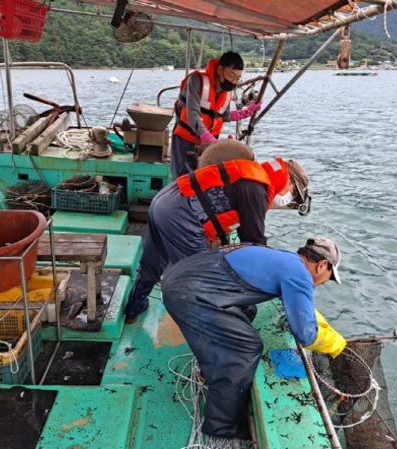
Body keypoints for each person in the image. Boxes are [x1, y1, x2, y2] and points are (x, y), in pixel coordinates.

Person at [161, 237, 347, 439]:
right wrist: (338, 345)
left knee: (248, 310)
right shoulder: (300, 275)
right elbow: (306, 335)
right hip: (189, 294)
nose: (323, 283)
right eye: (329, 277)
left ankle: (210, 369)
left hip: (180, 276)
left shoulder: (285, 257)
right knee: (245, 349)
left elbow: (303, 309)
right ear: (321, 265)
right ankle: (221, 426)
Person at [124, 150, 310, 323]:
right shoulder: (258, 189)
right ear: (290, 182)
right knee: (203, 279)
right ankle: (214, 332)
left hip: (165, 200)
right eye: (293, 193)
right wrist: (278, 271)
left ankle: (134, 308)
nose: (288, 199)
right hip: (181, 216)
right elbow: (253, 243)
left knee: (152, 261)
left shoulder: (253, 172)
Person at [171, 51, 262, 178]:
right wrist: (215, 144)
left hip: (207, 144)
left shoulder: (227, 92)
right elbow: (193, 116)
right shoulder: (196, 81)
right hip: (185, 141)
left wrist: (247, 112)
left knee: (203, 180)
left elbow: (225, 116)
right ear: (220, 69)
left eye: (237, 78)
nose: (234, 81)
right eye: (231, 75)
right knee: (182, 180)